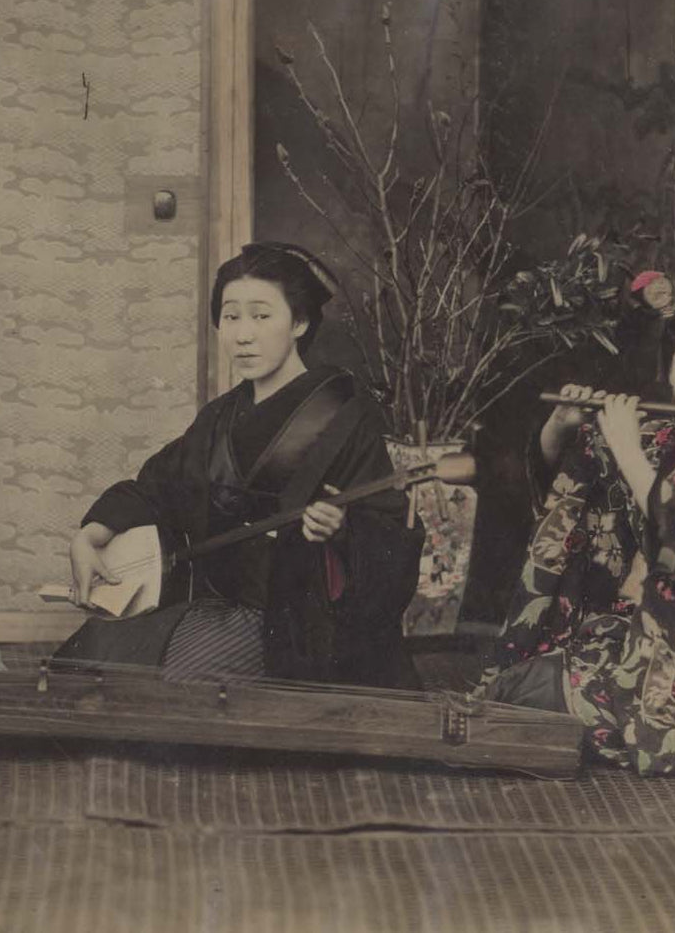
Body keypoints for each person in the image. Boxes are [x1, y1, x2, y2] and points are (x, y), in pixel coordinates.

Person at [58, 243, 426, 688]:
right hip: (208, 604)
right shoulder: (219, 417)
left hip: (292, 623)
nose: (243, 334)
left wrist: (342, 531)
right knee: (78, 666)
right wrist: (89, 536)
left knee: (172, 692)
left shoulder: (343, 415)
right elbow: (156, 489)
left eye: (261, 315)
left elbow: (389, 529)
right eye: (231, 317)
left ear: (300, 323)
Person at [477, 292, 675, 775]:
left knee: (543, 701)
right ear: (670, 372)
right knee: (519, 685)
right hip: (631, 628)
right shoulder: (657, 435)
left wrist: (627, 449)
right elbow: (571, 489)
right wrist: (561, 426)